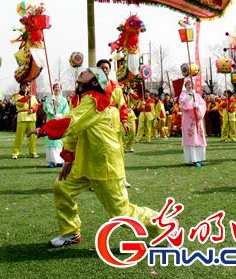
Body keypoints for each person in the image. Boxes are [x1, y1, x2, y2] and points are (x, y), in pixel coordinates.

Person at [28, 67, 161, 248]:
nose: (83, 71)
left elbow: (72, 122)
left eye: (89, 72)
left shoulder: (94, 100)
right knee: (63, 188)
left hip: (103, 162)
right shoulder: (83, 99)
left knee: (121, 213)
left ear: (95, 81)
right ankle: (70, 232)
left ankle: (165, 225)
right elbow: (76, 130)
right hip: (85, 162)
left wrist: (44, 129)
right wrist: (69, 157)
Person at [97, 58, 131, 188]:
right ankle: (97, 180)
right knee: (99, 151)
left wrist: (124, 121)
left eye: (106, 68)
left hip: (114, 121)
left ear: (110, 70)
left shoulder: (116, 86)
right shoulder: (93, 87)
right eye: (102, 69)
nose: (104, 70)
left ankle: (121, 178)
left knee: (118, 151)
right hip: (99, 122)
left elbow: (122, 105)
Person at [179, 78, 207, 167]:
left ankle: (199, 158)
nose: (189, 86)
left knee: (198, 137)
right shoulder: (183, 95)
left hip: (197, 119)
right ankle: (193, 159)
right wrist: (189, 97)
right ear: (185, 86)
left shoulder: (197, 96)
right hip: (188, 119)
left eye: (191, 84)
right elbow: (182, 105)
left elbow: (203, 105)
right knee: (191, 138)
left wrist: (198, 107)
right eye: (187, 85)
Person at [42, 83, 69, 167]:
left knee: (58, 142)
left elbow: (66, 110)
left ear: (61, 89)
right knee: (50, 141)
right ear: (53, 89)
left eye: (58, 87)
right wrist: (50, 103)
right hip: (51, 121)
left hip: (59, 122)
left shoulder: (64, 100)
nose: (57, 89)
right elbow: (45, 109)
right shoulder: (49, 99)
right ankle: (51, 161)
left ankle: (60, 161)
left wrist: (61, 115)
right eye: (55, 87)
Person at [12, 82, 39, 159]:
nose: (24, 87)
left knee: (32, 137)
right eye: (23, 86)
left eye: (26, 86)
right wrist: (27, 97)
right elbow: (19, 103)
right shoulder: (16, 96)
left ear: (28, 87)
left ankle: (33, 152)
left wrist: (32, 109)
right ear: (20, 87)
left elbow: (36, 105)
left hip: (31, 117)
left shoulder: (33, 97)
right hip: (22, 118)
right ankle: (15, 153)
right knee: (19, 137)